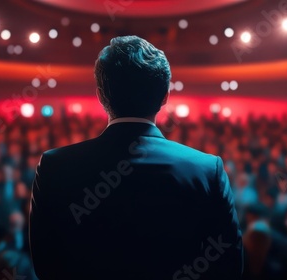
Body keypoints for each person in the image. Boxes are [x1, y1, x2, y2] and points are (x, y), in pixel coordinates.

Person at [29, 35, 243, 280]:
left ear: (100, 96)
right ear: (165, 96)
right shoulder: (207, 170)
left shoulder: (55, 166)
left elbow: (46, 265)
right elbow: (229, 266)